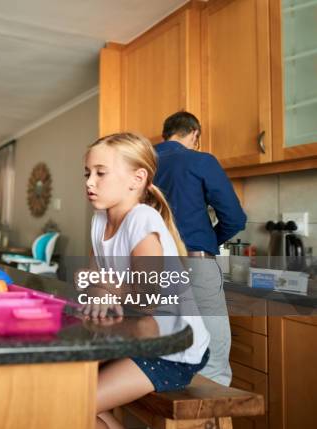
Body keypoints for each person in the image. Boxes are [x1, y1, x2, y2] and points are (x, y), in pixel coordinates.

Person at [84, 133, 210, 429]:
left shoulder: (142, 219)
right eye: (87, 173)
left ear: (137, 179)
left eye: (101, 173)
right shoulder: (99, 221)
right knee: (61, 392)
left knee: (71, 405)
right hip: (136, 339)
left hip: (174, 351)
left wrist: (107, 287)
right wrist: (101, 288)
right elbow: (93, 281)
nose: (90, 182)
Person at [154, 111, 247, 386]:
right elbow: (235, 218)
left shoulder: (142, 162)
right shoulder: (200, 160)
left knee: (163, 356)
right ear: (195, 134)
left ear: (166, 134)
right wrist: (207, 242)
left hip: (150, 269)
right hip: (194, 265)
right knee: (213, 367)